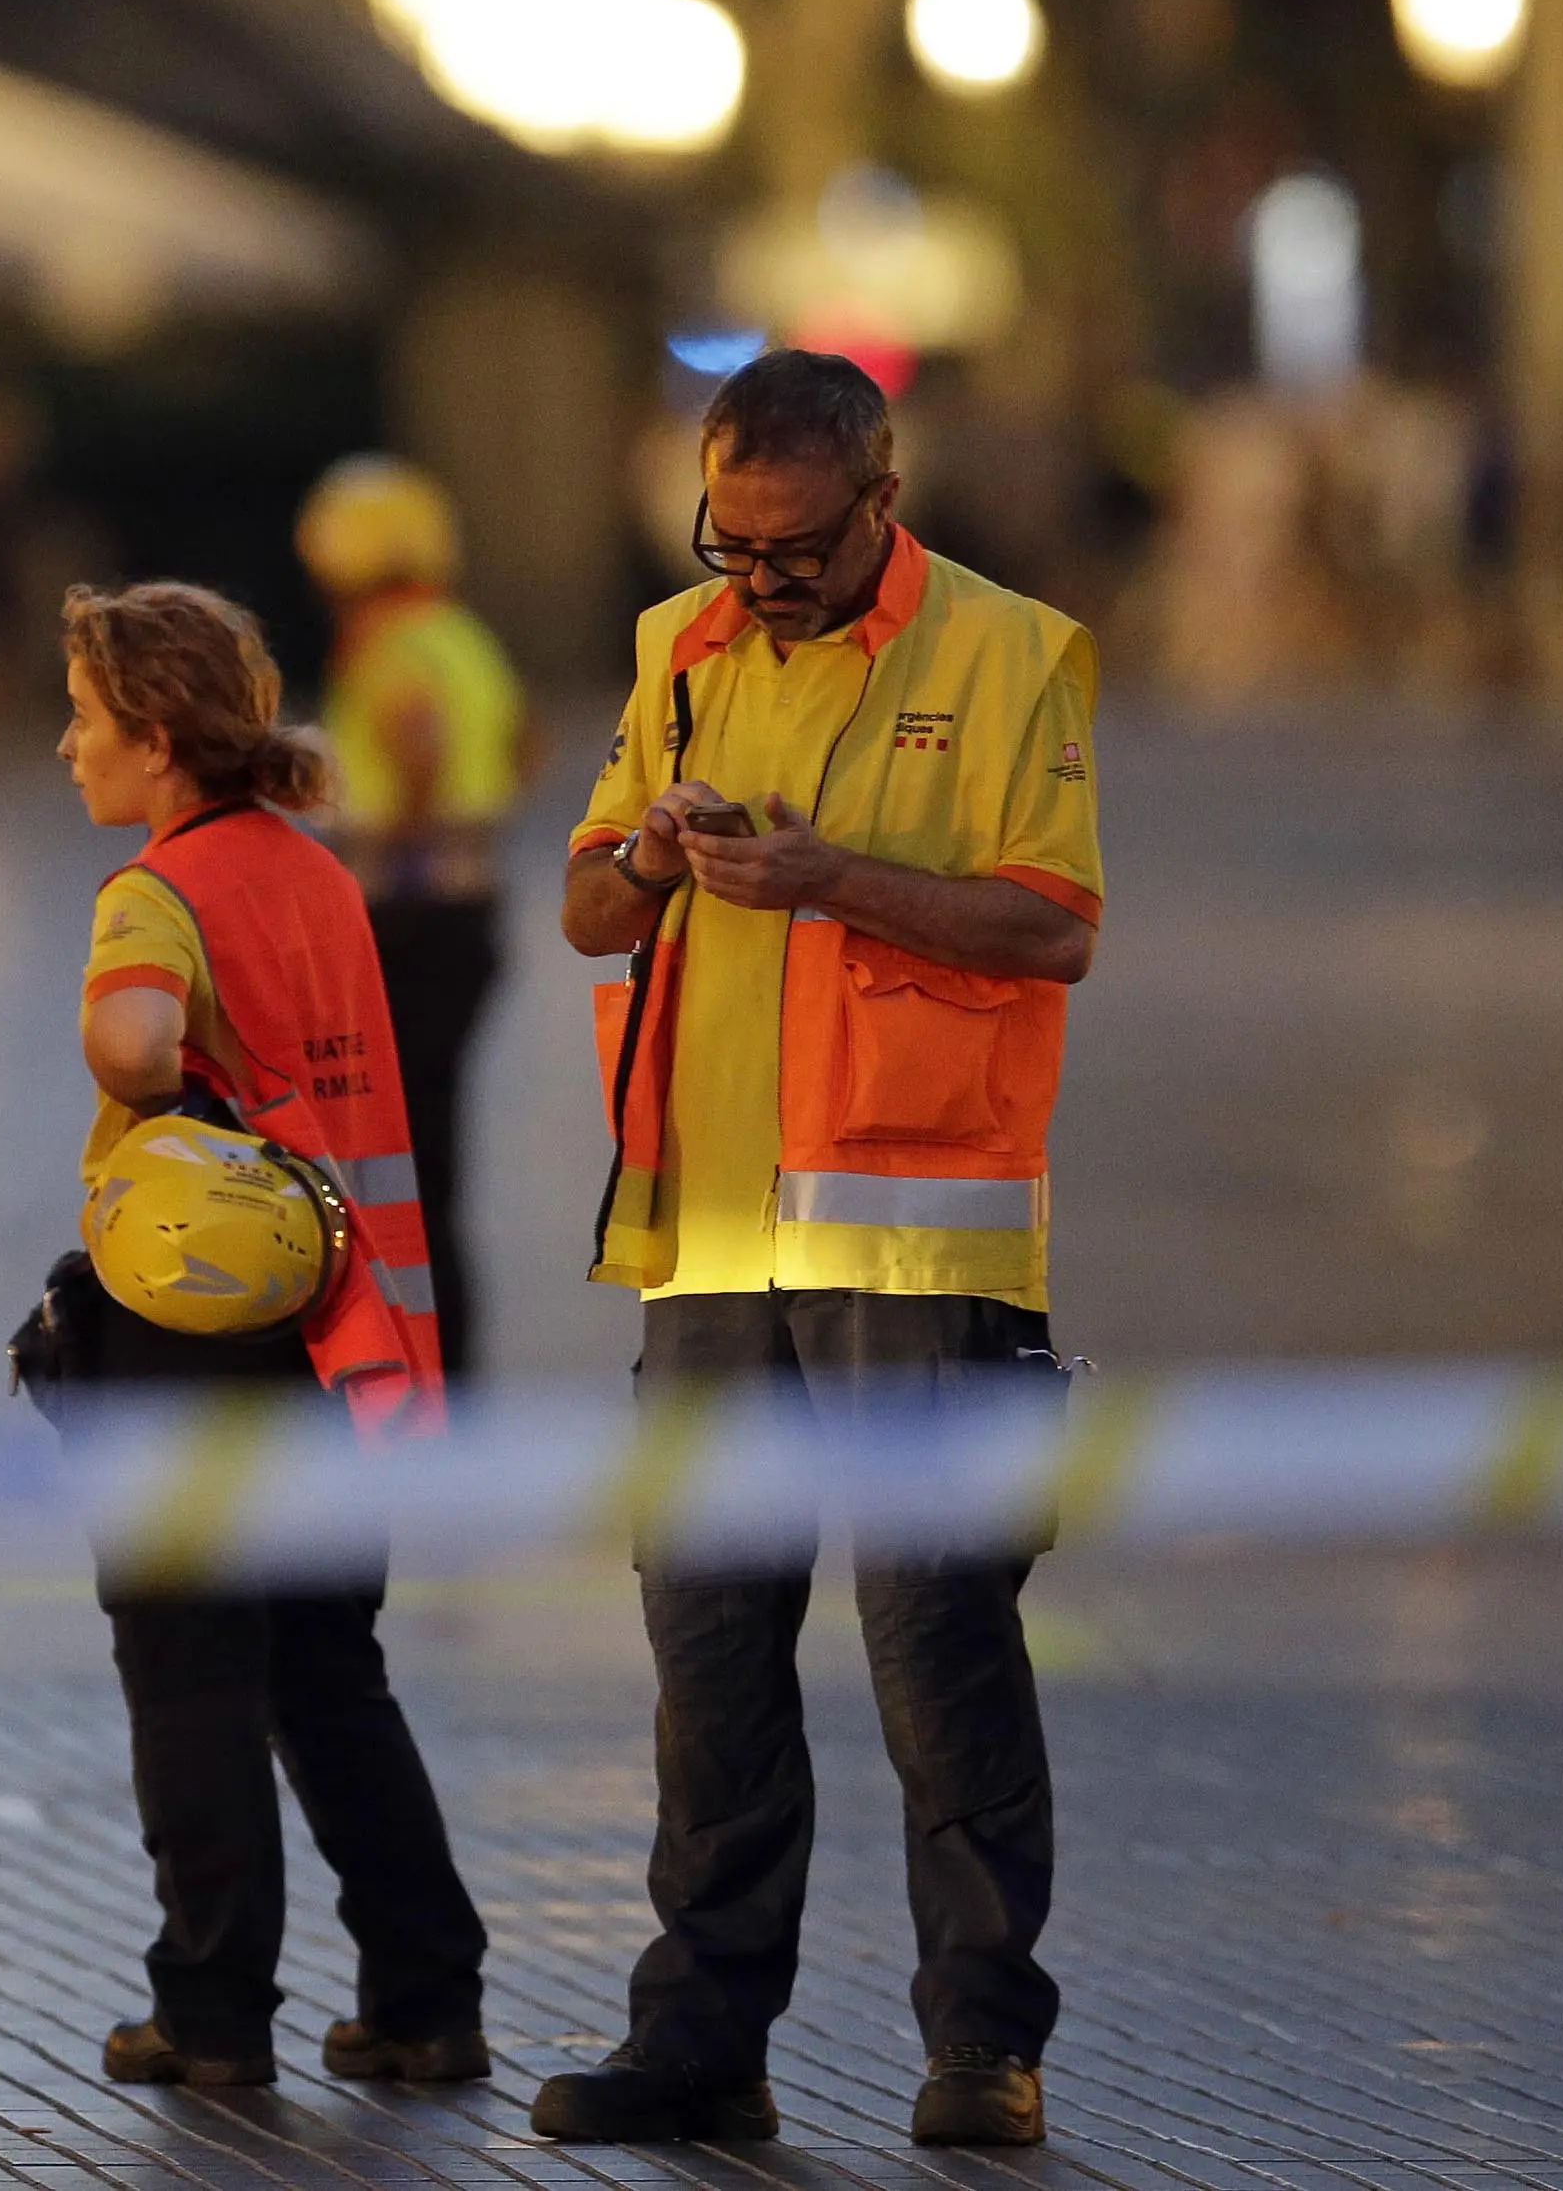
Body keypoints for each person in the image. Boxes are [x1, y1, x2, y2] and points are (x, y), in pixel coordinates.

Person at [532, 346, 1102, 2153]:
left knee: (933, 1644)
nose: (755, 579)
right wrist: (652, 854)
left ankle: (981, 2041)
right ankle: (698, 2036)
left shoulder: (1012, 653)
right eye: (729, 540)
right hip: (702, 1237)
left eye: (790, 548)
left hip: (918, 1248)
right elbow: (581, 904)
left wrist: (829, 878)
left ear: (882, 496)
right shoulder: (674, 647)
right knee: (705, 1655)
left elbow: (1049, 927)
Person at [43, 580, 484, 2092]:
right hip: (338, 1332)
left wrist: (150, 1073)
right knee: (325, 1671)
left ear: (157, 739)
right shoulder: (313, 870)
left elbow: (135, 1038)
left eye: (87, 721)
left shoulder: (152, 890)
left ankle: (212, 2007)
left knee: (188, 1671)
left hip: (198, 1329)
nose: (65, 746)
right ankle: (426, 1994)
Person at [294, 456, 528, 1380]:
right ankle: (445, 1361)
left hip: (411, 925)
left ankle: (418, 1368)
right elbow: (521, 743)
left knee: (397, 1167)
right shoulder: (464, 633)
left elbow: (419, 742)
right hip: (472, 917)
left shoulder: (384, 642)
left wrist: (391, 855)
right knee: (435, 1158)